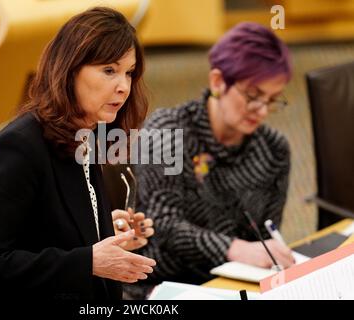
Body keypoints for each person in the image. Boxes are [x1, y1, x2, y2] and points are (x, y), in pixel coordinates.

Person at [0, 7, 156, 300]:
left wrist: (101, 230)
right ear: (69, 70)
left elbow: (46, 231)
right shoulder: (17, 148)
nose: (123, 86)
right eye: (109, 71)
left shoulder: (86, 136)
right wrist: (89, 260)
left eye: (129, 73)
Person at [126, 22, 295, 299]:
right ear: (218, 82)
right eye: (253, 96)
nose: (262, 110)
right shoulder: (167, 132)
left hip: (234, 284)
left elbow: (264, 236)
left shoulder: (273, 149)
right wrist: (234, 247)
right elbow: (164, 226)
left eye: (273, 100)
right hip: (161, 286)